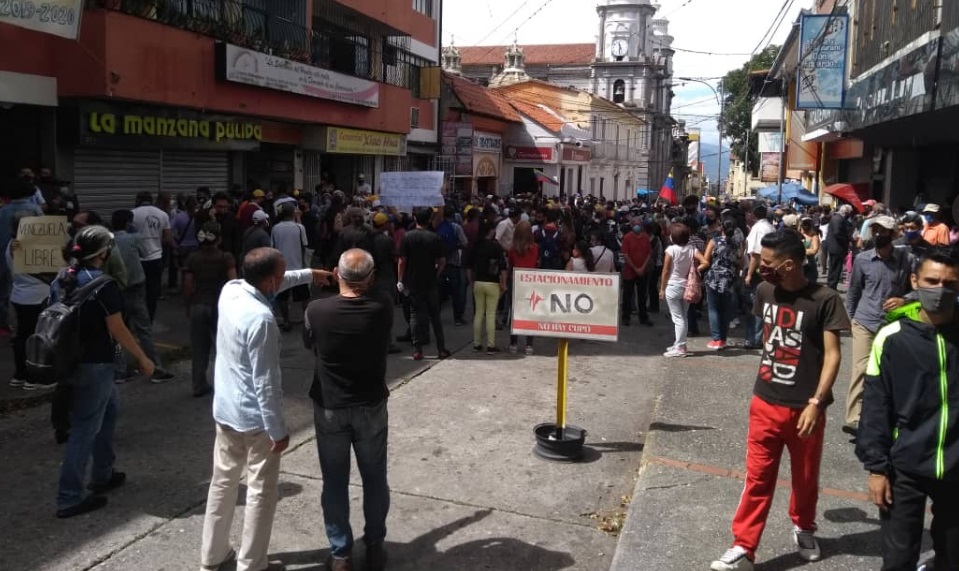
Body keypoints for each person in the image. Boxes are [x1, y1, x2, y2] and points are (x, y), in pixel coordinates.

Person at [710, 230, 849, 571]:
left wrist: (817, 402)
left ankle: (803, 526)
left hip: (806, 408)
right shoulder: (764, 291)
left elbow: (833, 355)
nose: (761, 267)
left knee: (805, 477)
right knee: (757, 478)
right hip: (765, 403)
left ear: (789, 264)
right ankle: (744, 546)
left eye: (768, 263)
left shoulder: (825, 299)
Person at [199, 248, 333, 571]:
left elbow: (277, 280)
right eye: (281, 273)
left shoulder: (230, 291)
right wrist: (278, 430)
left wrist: (311, 274)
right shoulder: (262, 320)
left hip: (225, 412)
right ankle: (252, 564)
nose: (284, 278)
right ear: (270, 279)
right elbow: (266, 382)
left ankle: (212, 556)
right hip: (255, 421)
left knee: (222, 483)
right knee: (260, 492)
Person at [856, 248, 959, 571]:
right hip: (905, 468)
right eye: (931, 281)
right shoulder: (892, 337)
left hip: (956, 469)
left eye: (950, 284)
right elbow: (875, 406)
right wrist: (876, 468)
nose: (940, 290)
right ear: (914, 280)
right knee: (899, 560)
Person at [53, 225, 156, 518]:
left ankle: (103, 473)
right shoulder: (104, 285)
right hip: (96, 363)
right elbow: (118, 328)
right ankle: (69, 497)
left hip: (70, 360)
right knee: (85, 429)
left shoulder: (63, 278)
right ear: (104, 253)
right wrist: (143, 358)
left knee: (109, 411)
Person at [303, 249, 392, 571]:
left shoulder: (316, 310)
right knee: (375, 477)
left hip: (330, 405)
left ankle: (341, 552)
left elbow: (308, 342)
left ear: (336, 274)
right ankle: (375, 542)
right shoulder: (382, 308)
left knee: (335, 481)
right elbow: (376, 286)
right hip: (369, 404)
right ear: (370, 279)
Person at [842, 215, 911, 435]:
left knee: (888, 371)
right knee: (861, 369)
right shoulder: (863, 259)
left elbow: (919, 288)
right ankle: (854, 418)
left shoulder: (906, 259)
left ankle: (887, 418)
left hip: (892, 323)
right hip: (865, 321)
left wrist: (905, 300)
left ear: (892, 234)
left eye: (884, 231)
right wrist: (852, 319)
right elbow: (853, 292)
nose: (879, 234)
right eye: (876, 230)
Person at [111, 209, 174, 384]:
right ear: (128, 223)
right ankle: (155, 368)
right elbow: (145, 253)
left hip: (116, 288)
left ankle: (120, 370)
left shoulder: (108, 241)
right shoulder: (134, 238)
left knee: (118, 329)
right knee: (144, 329)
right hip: (136, 287)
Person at [182, 221, 237, 397]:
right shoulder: (226, 257)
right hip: (220, 306)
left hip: (198, 304)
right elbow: (232, 282)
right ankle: (228, 385)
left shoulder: (193, 258)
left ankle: (198, 384)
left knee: (199, 349)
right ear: (218, 239)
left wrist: (188, 304)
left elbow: (188, 285)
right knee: (225, 348)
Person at [6, 212, 54, 390]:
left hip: (19, 295)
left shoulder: (12, 244)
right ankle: (35, 378)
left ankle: (20, 374)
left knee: (21, 336)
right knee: (39, 337)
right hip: (37, 297)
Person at [397, 208, 450, 361]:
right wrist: (436, 274)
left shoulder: (407, 237)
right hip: (430, 282)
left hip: (412, 281)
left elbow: (402, 260)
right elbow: (442, 261)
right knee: (435, 316)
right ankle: (441, 349)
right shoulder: (434, 238)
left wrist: (400, 280)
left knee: (415, 315)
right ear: (428, 220)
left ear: (414, 218)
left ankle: (417, 350)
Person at [0, 177, 45, 337]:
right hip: (28, 256)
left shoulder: (3, 210)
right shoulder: (34, 210)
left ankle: (5, 325)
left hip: (5, 255)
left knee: (4, 292)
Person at [659, 223, 708, 358]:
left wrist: (662, 288)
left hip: (673, 285)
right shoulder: (692, 249)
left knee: (678, 318)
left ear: (673, 237)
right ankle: (680, 343)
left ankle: (680, 346)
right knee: (683, 317)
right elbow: (705, 262)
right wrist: (696, 270)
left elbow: (666, 270)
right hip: (687, 286)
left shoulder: (670, 250)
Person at [467, 221, 508, 354]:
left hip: (478, 282)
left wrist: (471, 281)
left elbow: (468, 267)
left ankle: (477, 344)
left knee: (479, 313)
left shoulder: (475, 246)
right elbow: (503, 267)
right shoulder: (495, 247)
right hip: (492, 283)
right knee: (491, 314)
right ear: (491, 231)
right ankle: (491, 345)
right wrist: (503, 283)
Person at [703, 218, 743, 350]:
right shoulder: (737, 244)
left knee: (713, 308)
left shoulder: (714, 242)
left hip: (714, 278)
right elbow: (740, 263)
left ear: (722, 228)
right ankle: (723, 339)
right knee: (726, 310)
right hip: (729, 279)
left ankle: (716, 339)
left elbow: (706, 259)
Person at [131, 192, 172, 322]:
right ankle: (149, 319)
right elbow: (168, 238)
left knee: (135, 291)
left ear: (138, 200)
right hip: (155, 258)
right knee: (152, 291)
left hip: (137, 259)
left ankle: (135, 319)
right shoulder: (162, 214)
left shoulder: (132, 214)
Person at [271, 202, 310, 331]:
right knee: (304, 296)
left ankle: (286, 321)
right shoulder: (300, 228)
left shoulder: (275, 228)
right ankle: (306, 321)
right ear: (294, 213)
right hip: (298, 267)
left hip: (282, 268)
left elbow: (273, 247)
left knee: (282, 296)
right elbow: (305, 245)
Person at [743, 205, 776, 349]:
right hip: (768, 271)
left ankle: (754, 339)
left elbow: (755, 254)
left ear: (752, 214)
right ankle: (759, 337)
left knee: (754, 306)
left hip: (759, 272)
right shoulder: (770, 227)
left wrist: (749, 274)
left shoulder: (758, 229)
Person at [508, 220, 539, 354]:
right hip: (530, 283)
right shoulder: (535, 249)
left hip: (516, 282)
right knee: (530, 314)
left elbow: (510, 266)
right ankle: (529, 345)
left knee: (515, 314)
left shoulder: (512, 250)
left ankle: (513, 344)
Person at [621, 218, 653, 327]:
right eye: (635, 224)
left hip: (643, 271)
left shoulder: (645, 237)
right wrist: (635, 268)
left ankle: (643, 317)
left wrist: (642, 268)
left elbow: (649, 254)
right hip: (629, 271)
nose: (637, 226)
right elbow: (625, 255)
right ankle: (626, 317)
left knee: (642, 295)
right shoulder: (627, 238)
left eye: (639, 224)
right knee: (627, 295)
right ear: (631, 225)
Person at [823, 204, 853, 290]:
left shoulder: (837, 218)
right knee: (835, 267)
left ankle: (831, 284)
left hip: (835, 246)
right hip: (837, 247)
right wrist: (846, 241)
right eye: (849, 213)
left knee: (834, 267)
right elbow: (837, 233)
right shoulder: (838, 219)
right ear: (846, 212)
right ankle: (832, 285)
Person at [799, 217, 821, 284]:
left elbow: (814, 250)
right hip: (799, 263)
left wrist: (800, 251)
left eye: (807, 224)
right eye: (804, 224)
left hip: (809, 263)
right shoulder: (798, 234)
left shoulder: (814, 236)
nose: (805, 226)